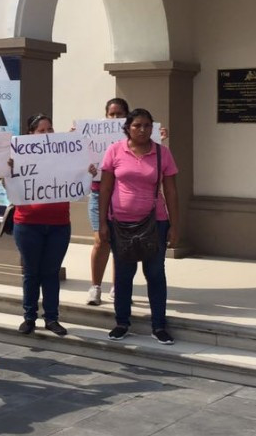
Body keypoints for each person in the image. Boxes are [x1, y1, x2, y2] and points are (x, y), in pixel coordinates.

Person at [98, 108, 180, 345]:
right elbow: (105, 188)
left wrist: (175, 225)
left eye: (147, 125)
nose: (143, 130)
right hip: (120, 223)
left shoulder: (162, 154)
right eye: (137, 125)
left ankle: (159, 326)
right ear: (127, 128)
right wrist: (103, 222)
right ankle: (122, 322)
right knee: (124, 274)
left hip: (155, 223)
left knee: (154, 273)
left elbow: (172, 191)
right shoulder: (115, 150)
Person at [10, 114, 71, 337]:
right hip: (28, 223)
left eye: (50, 130)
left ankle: (52, 318)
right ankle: (29, 317)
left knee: (51, 272)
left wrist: (87, 171)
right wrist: (9, 166)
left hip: (59, 223)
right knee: (31, 272)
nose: (46, 134)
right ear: (30, 135)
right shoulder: (18, 156)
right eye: (41, 131)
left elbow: (79, 174)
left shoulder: (65, 155)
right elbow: (5, 177)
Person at [87, 98, 129, 306]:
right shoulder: (94, 134)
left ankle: (117, 286)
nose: (115, 118)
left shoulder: (133, 139)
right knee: (101, 240)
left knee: (120, 243)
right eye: (111, 114)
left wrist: (159, 138)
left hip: (122, 195)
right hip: (97, 194)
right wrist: (75, 138)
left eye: (119, 114)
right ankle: (95, 286)